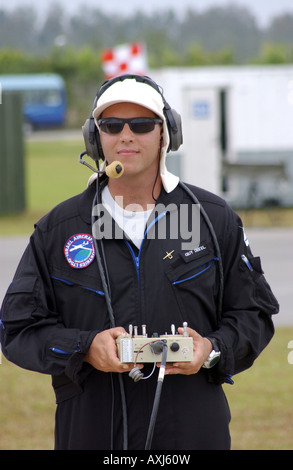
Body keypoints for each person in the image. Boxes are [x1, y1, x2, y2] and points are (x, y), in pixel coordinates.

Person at [0, 74, 279, 450]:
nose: (126, 135)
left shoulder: (213, 219)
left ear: (166, 134)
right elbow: (17, 329)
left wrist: (210, 349)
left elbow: (255, 314)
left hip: (192, 434)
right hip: (92, 434)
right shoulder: (58, 229)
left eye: (142, 124)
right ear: (94, 136)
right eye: (112, 125)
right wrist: (84, 347)